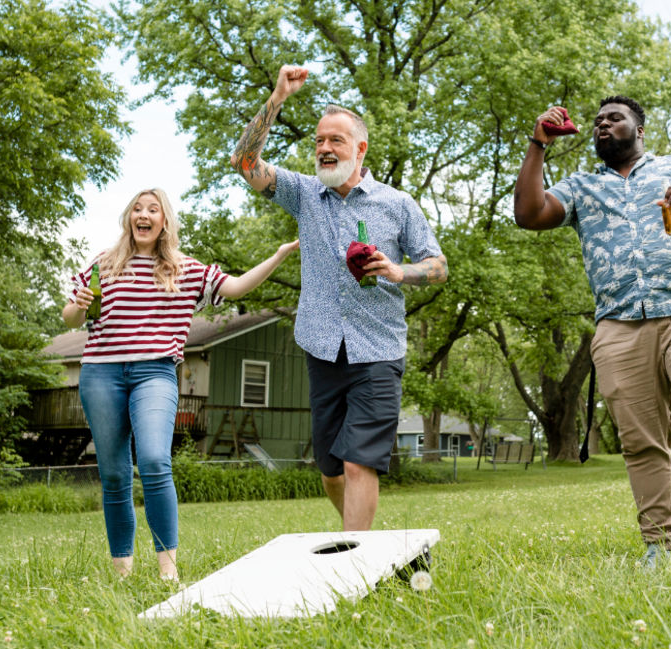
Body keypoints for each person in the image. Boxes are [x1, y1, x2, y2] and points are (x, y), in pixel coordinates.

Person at [513, 96, 671, 567]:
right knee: (639, 437)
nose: (603, 124)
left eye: (615, 118)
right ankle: (660, 546)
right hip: (621, 322)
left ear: (639, 130)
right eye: (598, 121)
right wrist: (538, 144)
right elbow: (529, 215)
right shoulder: (582, 186)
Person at [229, 65, 448, 532]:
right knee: (330, 473)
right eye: (319, 142)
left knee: (357, 464)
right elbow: (245, 164)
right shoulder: (305, 194)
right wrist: (277, 97)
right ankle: (361, 538)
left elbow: (438, 266)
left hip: (379, 350)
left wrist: (398, 270)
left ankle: (355, 560)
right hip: (322, 346)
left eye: (336, 141)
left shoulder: (397, 204)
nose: (324, 149)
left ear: (360, 149)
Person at [63, 188, 298, 580]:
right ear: (128, 218)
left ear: (164, 221)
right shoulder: (104, 264)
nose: (143, 214)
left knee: (154, 459)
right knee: (116, 474)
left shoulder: (185, 270)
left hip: (155, 372)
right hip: (101, 373)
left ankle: (167, 573)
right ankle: (122, 571)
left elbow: (236, 287)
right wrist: (80, 304)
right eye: (136, 208)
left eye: (152, 209)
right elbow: (71, 318)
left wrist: (277, 256)